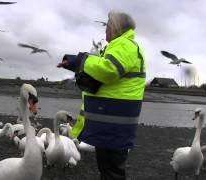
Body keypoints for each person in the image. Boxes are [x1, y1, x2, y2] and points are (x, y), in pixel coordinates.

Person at [57, 11, 146, 180]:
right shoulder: (119, 46)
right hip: (111, 126)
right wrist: (74, 64)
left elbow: (108, 70)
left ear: (115, 28)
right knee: (108, 171)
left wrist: (80, 60)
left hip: (114, 126)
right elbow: (101, 71)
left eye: (107, 25)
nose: (105, 29)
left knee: (112, 173)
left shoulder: (125, 45)